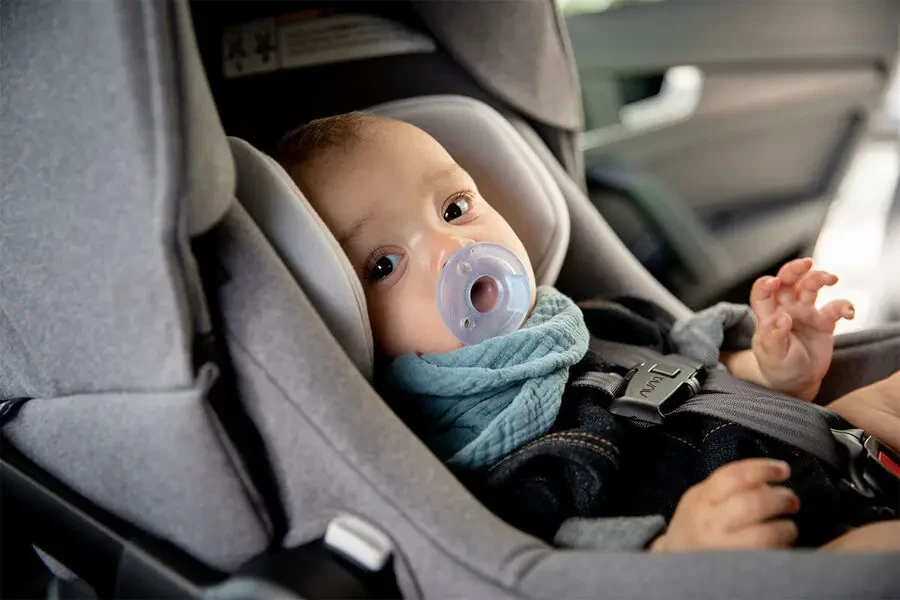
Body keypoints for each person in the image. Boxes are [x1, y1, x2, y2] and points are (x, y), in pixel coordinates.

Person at [277, 112, 900, 552]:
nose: (452, 249)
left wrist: (772, 368)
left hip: (832, 447)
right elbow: (550, 555)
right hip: (795, 546)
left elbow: (690, 370)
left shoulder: (590, 320)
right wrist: (670, 553)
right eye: (383, 265)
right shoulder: (464, 451)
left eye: (454, 209)